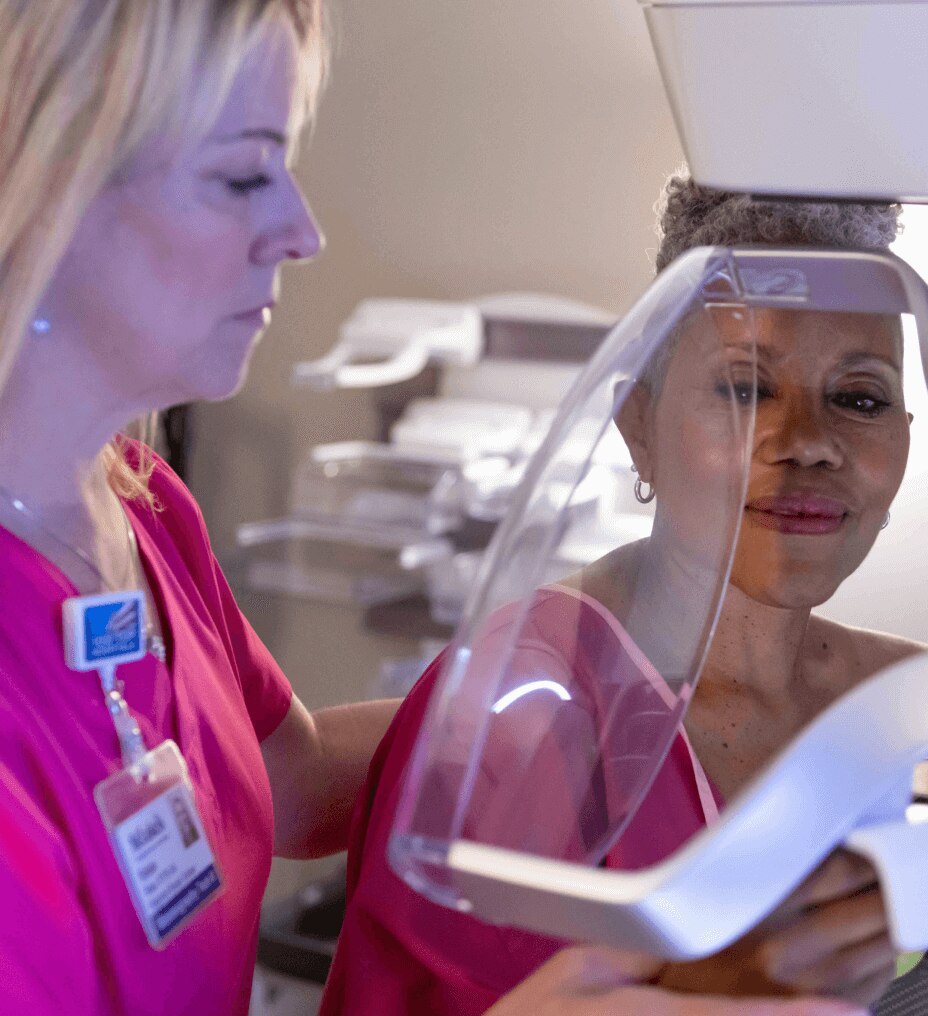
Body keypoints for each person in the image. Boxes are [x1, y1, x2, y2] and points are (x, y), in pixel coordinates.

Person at [0, 5, 882, 1014]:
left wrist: (565, 693)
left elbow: (289, 778)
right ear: (48, 184)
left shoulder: (140, 503)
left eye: (863, 397)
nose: (302, 232)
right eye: (242, 174)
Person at [319, 178, 924, 1016]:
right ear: (638, 424)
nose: (810, 444)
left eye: (860, 398)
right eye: (747, 390)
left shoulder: (901, 708)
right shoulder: (524, 724)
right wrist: (711, 996)